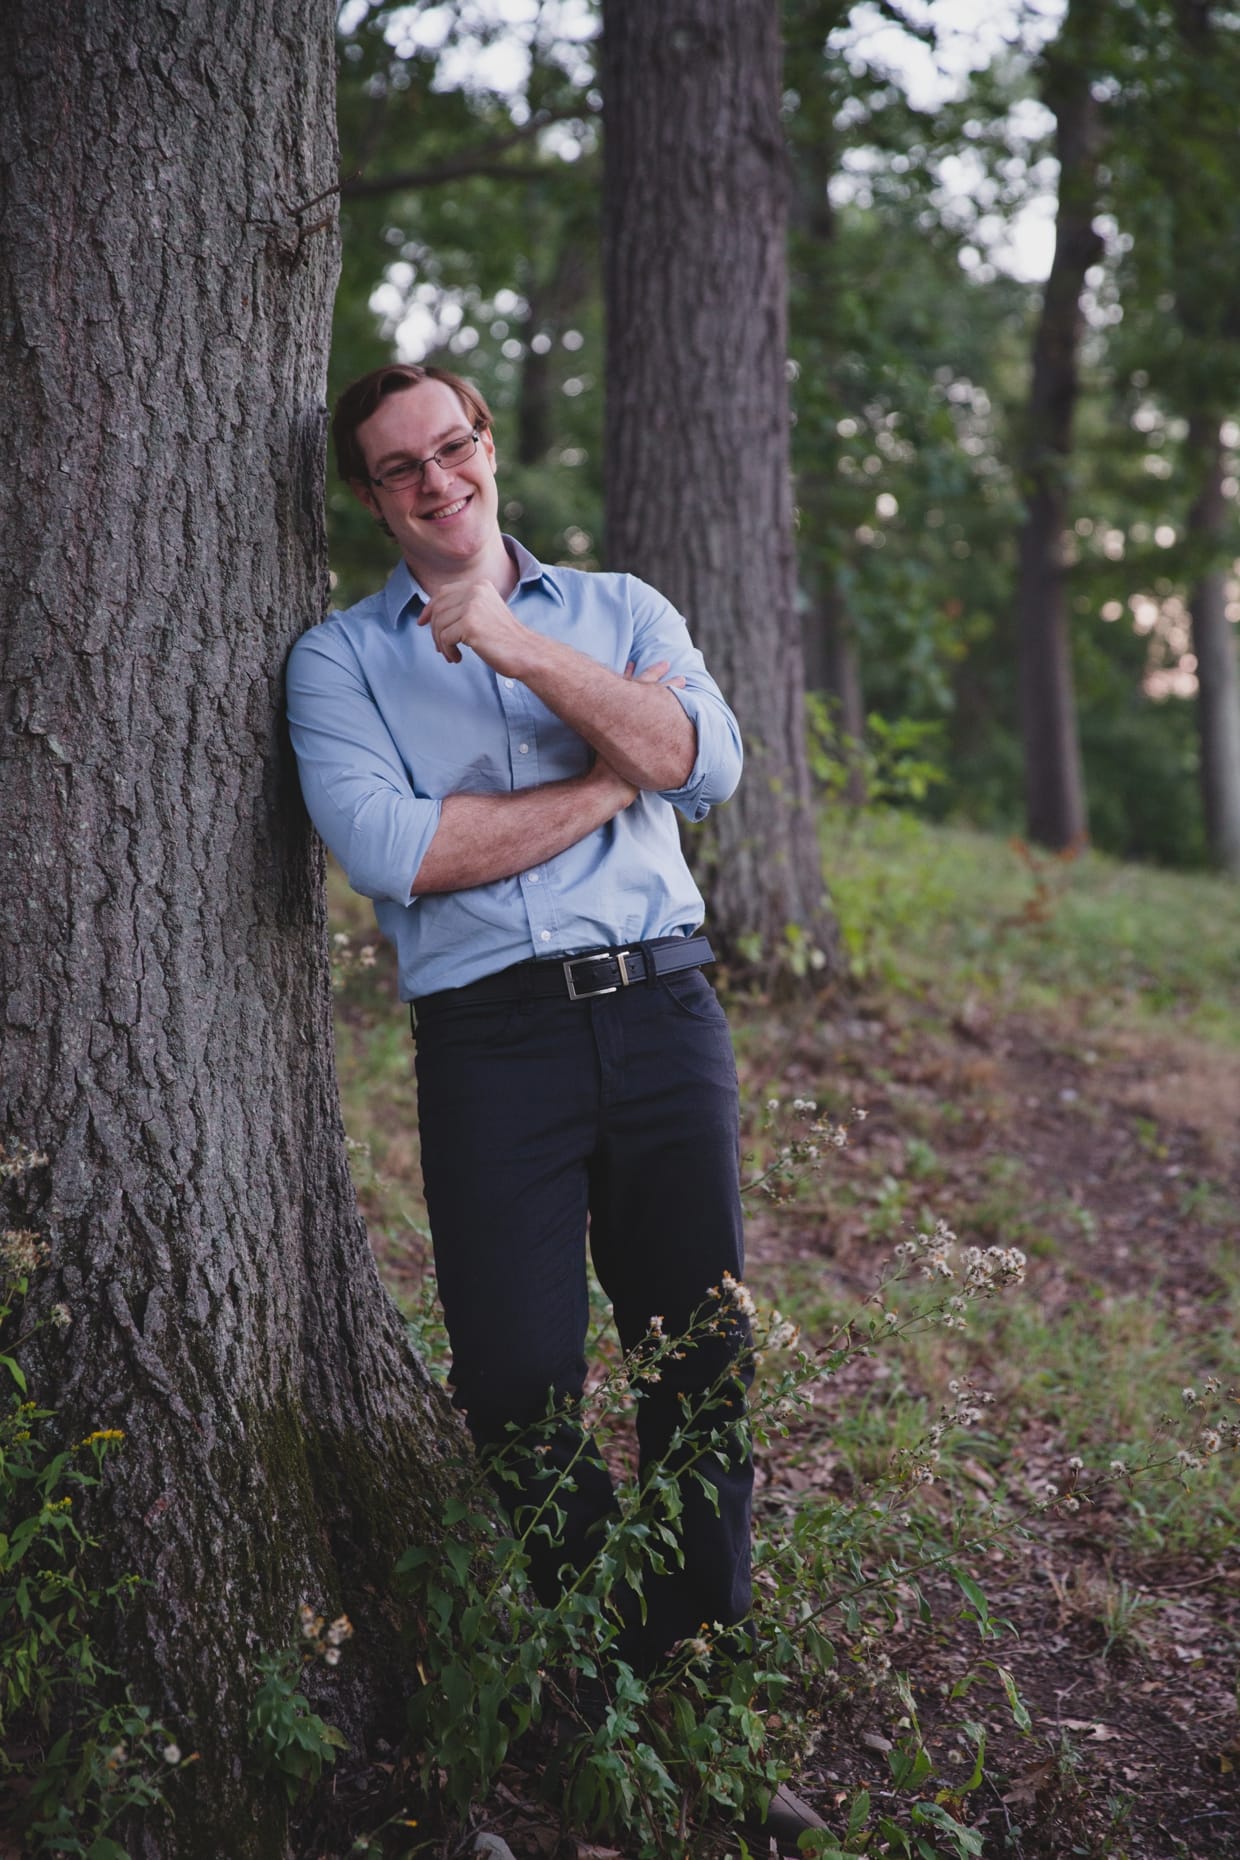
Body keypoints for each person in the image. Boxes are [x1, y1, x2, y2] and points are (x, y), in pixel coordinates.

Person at [286, 363, 823, 1847]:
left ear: (487, 445)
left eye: (450, 446)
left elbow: (702, 763)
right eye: (400, 469)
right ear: (371, 497)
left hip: (664, 1015)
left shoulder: (625, 608)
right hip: (490, 1046)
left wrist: (518, 648)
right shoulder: (335, 663)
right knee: (517, 1387)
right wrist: (606, 778)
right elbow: (399, 852)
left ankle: (688, 1697)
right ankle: (609, 1655)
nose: (435, 481)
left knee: (698, 1366)